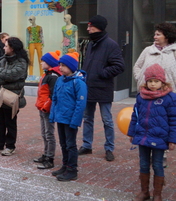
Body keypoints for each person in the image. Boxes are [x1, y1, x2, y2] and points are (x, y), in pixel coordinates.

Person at [127, 64, 176, 201]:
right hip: (142, 136)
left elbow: (174, 120)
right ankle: (144, 191)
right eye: (150, 81)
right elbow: (135, 116)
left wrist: (173, 139)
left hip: (160, 138)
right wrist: (131, 132)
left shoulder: (169, 98)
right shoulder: (141, 97)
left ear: (162, 82)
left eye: (156, 81)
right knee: (143, 164)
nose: (153, 84)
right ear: (146, 82)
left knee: (157, 165)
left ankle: (158, 194)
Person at [79, 15, 125, 161]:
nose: (87, 29)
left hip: (103, 88)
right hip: (89, 87)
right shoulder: (91, 44)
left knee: (107, 120)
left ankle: (109, 148)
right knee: (87, 118)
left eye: (90, 26)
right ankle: (87, 145)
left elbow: (119, 66)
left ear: (98, 27)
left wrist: (101, 73)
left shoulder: (111, 45)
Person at [132, 22, 176, 168]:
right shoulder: (147, 50)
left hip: (167, 96)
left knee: (162, 124)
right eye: (155, 34)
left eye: (158, 34)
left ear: (167, 36)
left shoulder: (174, 51)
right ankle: (146, 149)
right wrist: (140, 78)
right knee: (148, 121)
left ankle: (161, 154)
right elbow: (137, 66)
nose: (155, 36)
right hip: (147, 94)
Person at [0, 36, 28, 156]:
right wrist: (2, 77)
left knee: (10, 122)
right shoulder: (3, 59)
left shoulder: (21, 62)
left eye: (6, 46)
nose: (4, 47)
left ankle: (10, 146)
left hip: (12, 97)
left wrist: (1, 76)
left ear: (12, 48)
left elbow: (12, 75)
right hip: (0, 96)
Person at [49, 52, 87, 182]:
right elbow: (55, 98)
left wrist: (75, 120)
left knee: (70, 144)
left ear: (71, 67)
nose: (60, 68)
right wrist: (53, 115)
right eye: (60, 65)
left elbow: (80, 103)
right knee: (63, 143)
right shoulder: (60, 79)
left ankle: (72, 169)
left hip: (70, 119)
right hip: (61, 117)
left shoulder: (78, 82)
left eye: (64, 65)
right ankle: (65, 166)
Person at [33, 50, 61, 170]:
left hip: (47, 109)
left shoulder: (53, 77)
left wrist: (46, 106)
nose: (41, 63)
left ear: (49, 63)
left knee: (49, 134)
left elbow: (53, 94)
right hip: (42, 108)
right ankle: (45, 154)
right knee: (44, 133)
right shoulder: (47, 74)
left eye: (43, 61)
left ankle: (50, 158)